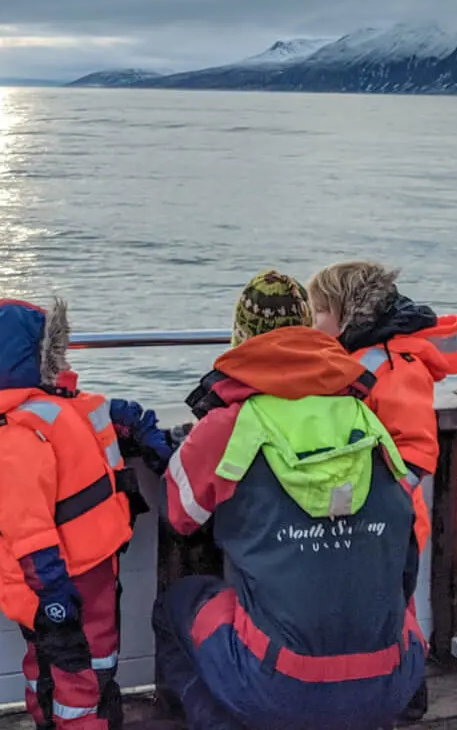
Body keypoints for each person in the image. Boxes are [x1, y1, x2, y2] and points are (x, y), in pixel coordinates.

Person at [155, 271, 426, 730]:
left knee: (177, 605)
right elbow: (404, 543)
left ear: (239, 338)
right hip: (391, 681)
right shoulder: (365, 415)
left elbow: (180, 514)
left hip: (279, 682)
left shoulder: (230, 425)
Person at [0, 297, 172, 730]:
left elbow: (93, 413)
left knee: (92, 668)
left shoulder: (52, 408)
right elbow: (26, 524)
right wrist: (53, 590)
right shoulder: (17, 434)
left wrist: (139, 426)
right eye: (52, 349)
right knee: (69, 679)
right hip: (60, 581)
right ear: (35, 357)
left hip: (92, 570)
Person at [305, 261, 457, 553]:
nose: (313, 323)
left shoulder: (397, 366)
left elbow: (416, 449)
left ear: (348, 313)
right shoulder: (353, 356)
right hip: (356, 519)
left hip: (387, 526)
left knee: (389, 598)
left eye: (320, 311)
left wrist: (380, 499)